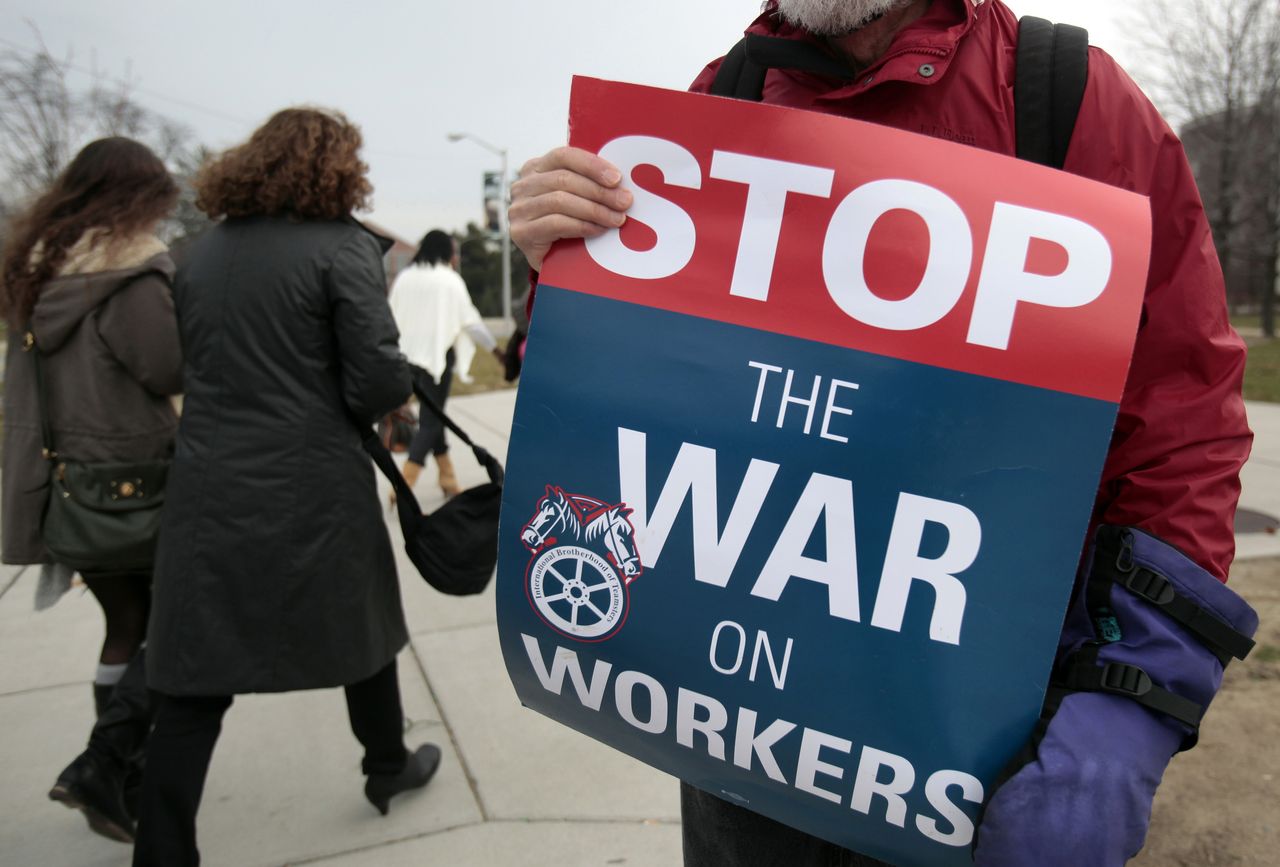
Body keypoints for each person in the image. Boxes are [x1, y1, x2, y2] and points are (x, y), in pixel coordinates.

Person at [507, 1, 1258, 865]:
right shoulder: (726, 97)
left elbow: (1184, 418)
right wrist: (563, 280)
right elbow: (638, 400)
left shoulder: (1065, 94)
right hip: (741, 740)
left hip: (990, 746)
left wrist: (1128, 709)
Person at [134, 108, 439, 867]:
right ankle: (387, 764)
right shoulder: (342, 248)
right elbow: (374, 380)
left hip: (208, 482)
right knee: (362, 628)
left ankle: (164, 847)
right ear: (337, 169)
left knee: (191, 672)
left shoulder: (195, 253)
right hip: (315, 482)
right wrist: (398, 380)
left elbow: (182, 363)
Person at [0, 137, 182, 844]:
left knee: (125, 626)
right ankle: (108, 765)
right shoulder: (129, 275)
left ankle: (115, 765)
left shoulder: (36, 271)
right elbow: (168, 368)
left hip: (74, 488)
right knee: (175, 627)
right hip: (145, 483)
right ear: (140, 199)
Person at [388, 229, 503, 498]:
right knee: (430, 422)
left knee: (434, 416)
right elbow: (471, 322)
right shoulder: (449, 281)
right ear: (444, 251)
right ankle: (403, 483)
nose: (455, 255)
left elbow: (388, 315)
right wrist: (495, 351)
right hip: (436, 361)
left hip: (405, 360)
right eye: (453, 250)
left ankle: (448, 479)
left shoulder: (405, 278)